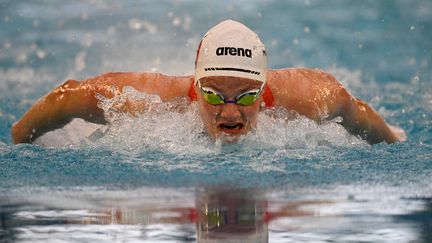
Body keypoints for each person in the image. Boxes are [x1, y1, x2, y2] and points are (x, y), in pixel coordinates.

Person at [11, 19, 405, 145]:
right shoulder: (150, 100)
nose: (230, 111)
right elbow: (68, 97)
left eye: (246, 96)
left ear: (264, 89)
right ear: (195, 88)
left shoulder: (312, 98)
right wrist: (16, 145)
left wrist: (393, 142)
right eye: (214, 94)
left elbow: (352, 108)